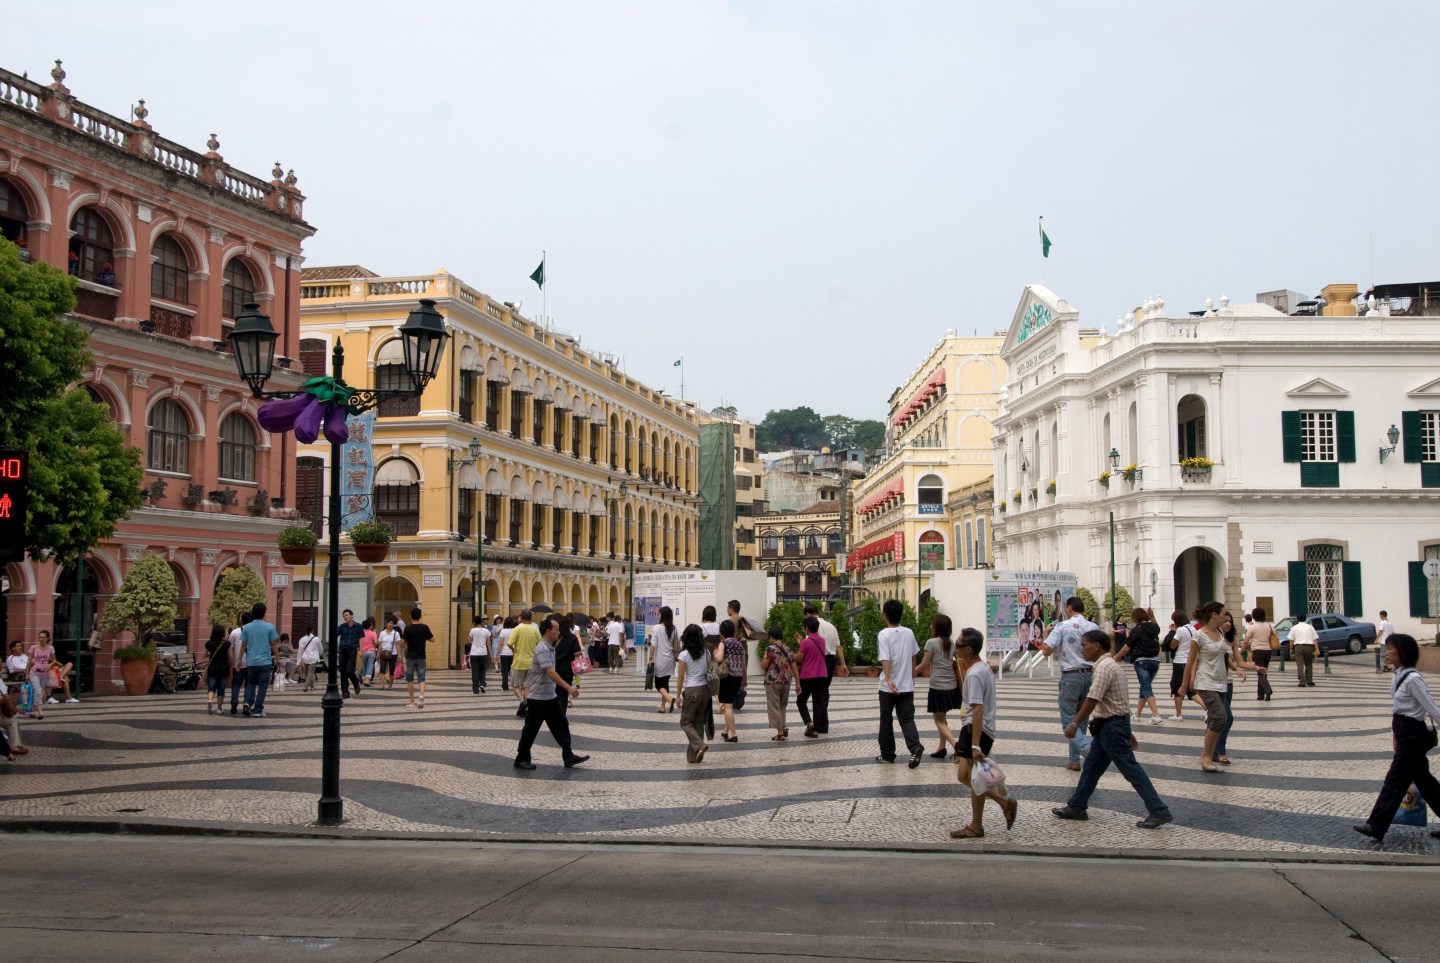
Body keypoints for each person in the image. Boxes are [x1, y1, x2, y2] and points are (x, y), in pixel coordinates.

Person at [1052, 629, 1173, 829]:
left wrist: (1074, 723)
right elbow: (1118, 701)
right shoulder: (1110, 666)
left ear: (1096, 646)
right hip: (1110, 726)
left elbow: (1093, 699)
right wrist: (1127, 728)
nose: (1082, 650)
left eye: (1084, 645)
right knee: (1091, 768)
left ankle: (1158, 810)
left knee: (1131, 769)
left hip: (1111, 727)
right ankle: (1077, 806)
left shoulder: (1105, 667)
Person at [1354, 634, 1440, 842]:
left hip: (1413, 734)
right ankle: (1376, 825)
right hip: (1403, 731)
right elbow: (1397, 709)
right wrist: (1395, 735)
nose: (1386, 653)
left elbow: (1431, 707)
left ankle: (1376, 825)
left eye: (1390, 649)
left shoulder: (1413, 679)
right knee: (1424, 781)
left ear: (1403, 652)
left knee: (1394, 780)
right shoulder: (1398, 675)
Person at [949, 627, 1017, 840]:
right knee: (964, 776)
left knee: (975, 779)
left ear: (968, 649)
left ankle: (976, 825)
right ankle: (1002, 802)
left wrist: (975, 743)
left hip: (976, 730)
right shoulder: (983, 668)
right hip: (974, 729)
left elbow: (977, 709)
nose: (955, 648)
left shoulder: (975, 674)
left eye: (958, 645)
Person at [1181, 602, 1251, 772]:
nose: (1225, 617)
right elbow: (1190, 661)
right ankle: (1206, 755)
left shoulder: (1220, 633)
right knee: (1221, 717)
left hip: (1221, 682)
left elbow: (1225, 657)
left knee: (1215, 719)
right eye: (1222, 614)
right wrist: (1184, 685)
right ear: (1214, 615)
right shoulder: (1199, 636)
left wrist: (1247, 667)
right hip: (1205, 682)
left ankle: (1211, 755)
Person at [513, 617, 589, 770]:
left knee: (562, 725)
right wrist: (568, 688)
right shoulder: (541, 648)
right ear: (548, 632)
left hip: (550, 697)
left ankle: (568, 756)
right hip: (538, 698)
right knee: (530, 730)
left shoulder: (550, 647)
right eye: (556, 629)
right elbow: (549, 672)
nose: (558, 631)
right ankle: (521, 758)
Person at [1037, 596, 1097, 770]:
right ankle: (1074, 761)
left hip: (1071, 675)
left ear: (1069, 608)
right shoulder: (1092, 627)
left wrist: (1047, 633)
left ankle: (1086, 748)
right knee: (1082, 718)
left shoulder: (1062, 626)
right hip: (1089, 675)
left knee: (1068, 719)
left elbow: (1046, 651)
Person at [875, 598, 923, 768]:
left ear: (885, 615)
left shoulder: (883, 634)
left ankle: (888, 754)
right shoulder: (909, 632)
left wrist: (888, 679)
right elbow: (913, 656)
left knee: (886, 720)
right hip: (906, 686)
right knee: (907, 719)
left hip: (888, 688)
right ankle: (915, 747)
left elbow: (885, 658)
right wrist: (911, 677)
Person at [917, 613, 961, 759]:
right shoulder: (951, 643)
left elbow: (924, 665)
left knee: (939, 720)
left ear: (936, 627)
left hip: (938, 687)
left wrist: (908, 672)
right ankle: (941, 748)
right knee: (942, 717)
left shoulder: (931, 642)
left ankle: (956, 745)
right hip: (952, 686)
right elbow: (959, 661)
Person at [676, 624, 720, 763]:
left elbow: (681, 677)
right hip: (705, 691)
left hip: (692, 691)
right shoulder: (706, 653)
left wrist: (677, 695)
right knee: (698, 723)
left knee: (685, 722)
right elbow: (709, 671)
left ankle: (700, 745)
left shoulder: (684, 655)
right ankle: (693, 757)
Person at [1115, 607, 1163, 724]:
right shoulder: (1153, 627)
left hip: (1142, 661)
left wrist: (1116, 656)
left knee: (1146, 687)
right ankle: (1137, 714)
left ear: (1135, 618)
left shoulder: (1137, 630)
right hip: (1155, 661)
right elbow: (1156, 626)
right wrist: (1152, 616)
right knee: (1144, 687)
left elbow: (1127, 647)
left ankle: (1156, 715)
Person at [805, 602, 846, 720]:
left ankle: (820, 720)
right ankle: (822, 715)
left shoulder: (812, 627)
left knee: (817, 692)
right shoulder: (831, 626)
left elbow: (809, 646)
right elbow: (838, 647)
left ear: (807, 614)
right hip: (830, 661)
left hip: (818, 661)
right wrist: (843, 664)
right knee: (824, 689)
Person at [236, 603, 278, 718]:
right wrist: (277, 658)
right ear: (264, 612)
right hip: (265, 661)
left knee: (251, 684)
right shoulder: (270, 627)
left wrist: (239, 659)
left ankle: (247, 702)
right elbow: (273, 643)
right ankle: (258, 709)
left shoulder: (247, 627)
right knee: (263, 686)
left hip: (251, 661)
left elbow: (244, 645)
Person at [1166, 609, 1206, 720]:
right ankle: (1206, 707)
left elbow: (1173, 645)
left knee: (1177, 688)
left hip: (1180, 661)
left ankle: (1178, 714)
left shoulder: (1181, 630)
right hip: (1191, 661)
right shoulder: (1194, 629)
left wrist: (1173, 631)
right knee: (1189, 689)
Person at [793, 616, 829, 738]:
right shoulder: (822, 641)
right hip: (821, 675)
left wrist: (789, 653)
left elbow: (799, 658)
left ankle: (809, 724)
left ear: (807, 628)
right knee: (818, 702)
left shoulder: (806, 642)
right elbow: (811, 649)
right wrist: (801, 641)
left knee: (801, 701)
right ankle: (816, 729)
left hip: (808, 676)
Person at [716, 619, 748, 743]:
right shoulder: (739, 644)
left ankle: (733, 734)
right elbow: (744, 664)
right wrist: (744, 679)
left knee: (728, 705)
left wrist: (715, 654)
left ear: (722, 632)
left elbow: (719, 658)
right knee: (729, 703)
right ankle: (725, 731)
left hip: (727, 676)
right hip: (738, 676)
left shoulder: (723, 643)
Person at [761, 626, 793, 740]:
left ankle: (780, 733)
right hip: (786, 680)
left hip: (773, 681)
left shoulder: (770, 649)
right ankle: (783, 726)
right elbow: (793, 664)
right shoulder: (788, 648)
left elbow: (764, 665)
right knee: (782, 705)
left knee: (774, 706)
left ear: (771, 637)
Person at [647, 606, 679, 713]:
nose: (658, 615)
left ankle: (670, 699)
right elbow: (676, 644)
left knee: (658, 684)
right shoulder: (674, 628)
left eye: (660, 614)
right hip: (670, 661)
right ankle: (662, 706)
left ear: (663, 615)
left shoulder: (656, 628)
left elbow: (653, 645)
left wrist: (650, 658)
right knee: (665, 683)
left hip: (660, 660)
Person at [509, 610, 541, 717]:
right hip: (531, 662)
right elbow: (540, 645)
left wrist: (514, 651)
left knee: (515, 684)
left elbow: (510, 643)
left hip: (518, 661)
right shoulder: (535, 630)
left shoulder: (518, 628)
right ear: (531, 618)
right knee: (527, 686)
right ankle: (526, 705)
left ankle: (522, 702)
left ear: (521, 618)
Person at [400, 606, 433, 709]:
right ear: (420, 616)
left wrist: (404, 643)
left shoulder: (408, 628)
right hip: (421, 656)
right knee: (421, 678)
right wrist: (424, 638)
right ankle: (421, 695)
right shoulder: (425, 627)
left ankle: (412, 701)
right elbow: (433, 639)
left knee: (409, 679)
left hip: (410, 656)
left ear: (411, 616)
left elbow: (402, 643)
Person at [1241, 606, 1274, 701]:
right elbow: (1273, 635)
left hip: (1258, 651)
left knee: (1260, 672)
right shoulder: (1269, 625)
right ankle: (1260, 695)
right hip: (1268, 650)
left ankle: (1268, 690)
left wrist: (1241, 651)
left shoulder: (1252, 627)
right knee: (1263, 671)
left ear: (1254, 616)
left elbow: (1246, 641)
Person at [335, 609, 364, 699]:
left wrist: (361, 650)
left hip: (352, 650)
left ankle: (356, 683)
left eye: (347, 615)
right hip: (343, 650)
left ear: (351, 616)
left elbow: (361, 639)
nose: (345, 617)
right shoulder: (342, 627)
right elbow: (335, 635)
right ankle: (345, 691)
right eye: (344, 615)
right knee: (343, 672)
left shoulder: (358, 627)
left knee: (349, 671)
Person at [26, 631, 58, 711]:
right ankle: (39, 710)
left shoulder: (51, 648)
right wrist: (27, 673)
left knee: (39, 691)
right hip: (34, 672)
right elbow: (29, 661)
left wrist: (50, 665)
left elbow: (54, 660)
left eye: (43, 637)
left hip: (44, 673)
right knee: (38, 691)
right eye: (39, 637)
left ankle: (32, 709)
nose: (41, 639)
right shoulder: (33, 647)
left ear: (47, 638)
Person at [204, 624, 230, 714]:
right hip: (223, 668)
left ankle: (210, 700)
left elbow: (204, 655)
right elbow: (229, 656)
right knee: (221, 689)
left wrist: (211, 653)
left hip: (212, 668)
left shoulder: (209, 643)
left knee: (211, 688)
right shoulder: (226, 644)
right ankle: (219, 708)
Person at [227, 613, 250, 715]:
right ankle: (246, 703)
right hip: (251, 663)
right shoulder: (254, 632)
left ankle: (234, 701)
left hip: (238, 663)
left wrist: (233, 661)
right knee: (249, 684)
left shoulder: (234, 632)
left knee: (236, 684)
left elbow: (230, 648)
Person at [1289, 614, 1320, 687]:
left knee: (1300, 664)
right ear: (1305, 619)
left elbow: (1291, 640)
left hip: (1298, 647)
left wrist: (1291, 648)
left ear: (1297, 619)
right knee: (1309, 663)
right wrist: (1317, 649)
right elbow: (1314, 639)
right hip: (1309, 647)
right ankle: (1309, 680)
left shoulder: (1294, 628)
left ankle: (1302, 681)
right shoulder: (1310, 627)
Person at [467, 615, 490, 694]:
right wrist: (491, 654)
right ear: (481, 621)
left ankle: (475, 689)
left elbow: (468, 640)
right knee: (483, 670)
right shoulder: (486, 631)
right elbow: (488, 643)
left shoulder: (472, 630)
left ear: (474, 622)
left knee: (475, 671)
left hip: (474, 653)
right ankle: (482, 683)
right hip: (483, 653)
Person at [375, 617, 400, 688]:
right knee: (382, 669)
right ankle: (382, 685)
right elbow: (380, 644)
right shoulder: (382, 633)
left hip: (393, 654)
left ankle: (390, 685)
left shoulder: (396, 633)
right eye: (389, 623)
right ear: (386, 624)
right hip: (383, 653)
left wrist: (399, 655)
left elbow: (398, 645)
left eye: (392, 623)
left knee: (392, 670)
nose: (390, 624)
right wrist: (378, 654)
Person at [297, 627, 323, 691]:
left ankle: (312, 687)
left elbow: (300, 650)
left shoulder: (302, 639)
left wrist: (298, 660)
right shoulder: (316, 639)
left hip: (305, 658)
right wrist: (320, 654)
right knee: (311, 673)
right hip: (313, 658)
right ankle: (305, 686)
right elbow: (321, 648)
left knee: (307, 672)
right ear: (313, 630)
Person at [359, 618, 377, 687]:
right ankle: (367, 680)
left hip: (363, 651)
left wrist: (360, 651)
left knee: (365, 665)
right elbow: (375, 642)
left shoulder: (361, 633)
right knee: (370, 666)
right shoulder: (373, 633)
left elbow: (360, 643)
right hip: (371, 651)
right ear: (370, 626)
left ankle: (363, 679)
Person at [498, 616, 515, 691]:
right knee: (512, 669)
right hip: (512, 652)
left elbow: (501, 643)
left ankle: (505, 685)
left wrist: (498, 654)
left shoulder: (503, 631)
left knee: (504, 670)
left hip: (504, 653)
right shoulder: (515, 630)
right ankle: (514, 684)